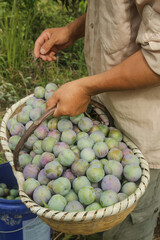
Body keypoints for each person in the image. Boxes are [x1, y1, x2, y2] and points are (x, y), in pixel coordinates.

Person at [34, 1, 160, 239]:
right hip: (104, 119)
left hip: (143, 135)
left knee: (125, 230)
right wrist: (72, 29)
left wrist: (85, 87)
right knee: (93, 220)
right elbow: (116, 12)